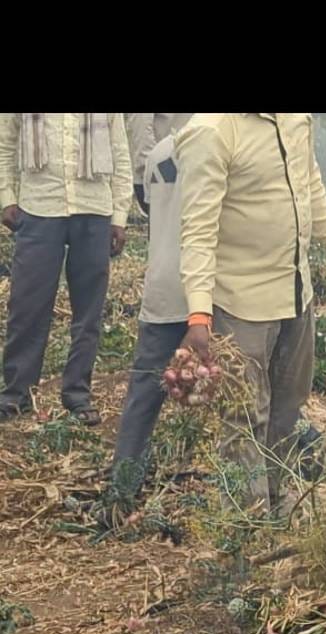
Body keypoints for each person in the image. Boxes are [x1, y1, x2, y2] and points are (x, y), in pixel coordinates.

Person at [175, 113, 326, 514]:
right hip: (240, 300)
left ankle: (276, 500)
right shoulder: (211, 131)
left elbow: (309, 185)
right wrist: (198, 314)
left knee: (288, 406)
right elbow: (197, 229)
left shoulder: (296, 117)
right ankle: (248, 522)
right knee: (244, 417)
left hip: (295, 292)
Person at [0, 113, 132, 424]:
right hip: (39, 208)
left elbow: (120, 152)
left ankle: (77, 393)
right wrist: (6, 198)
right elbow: (4, 144)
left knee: (88, 312)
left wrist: (119, 217)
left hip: (94, 209)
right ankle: (17, 394)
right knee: (27, 306)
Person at [109, 120, 193, 497]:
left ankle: (122, 490)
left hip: (163, 287)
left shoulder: (159, 153)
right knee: (249, 390)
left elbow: (147, 202)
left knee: (144, 393)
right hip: (214, 290)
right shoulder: (226, 148)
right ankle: (292, 467)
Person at [126, 114, 191, 218]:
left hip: (189, 171)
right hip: (161, 176)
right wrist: (154, 171)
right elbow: (141, 129)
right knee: (164, 231)